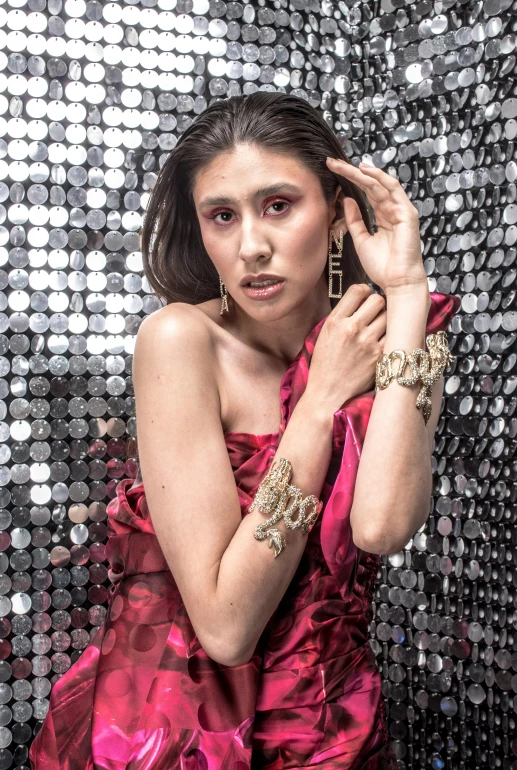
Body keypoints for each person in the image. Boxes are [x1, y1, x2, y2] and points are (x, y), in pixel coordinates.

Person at [30, 92, 460, 770]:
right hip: (179, 734)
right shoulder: (179, 340)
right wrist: (317, 404)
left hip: (328, 724)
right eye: (221, 217)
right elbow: (227, 626)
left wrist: (406, 293)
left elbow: (380, 526)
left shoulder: (393, 339)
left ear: (339, 213)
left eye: (278, 206)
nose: (251, 246)